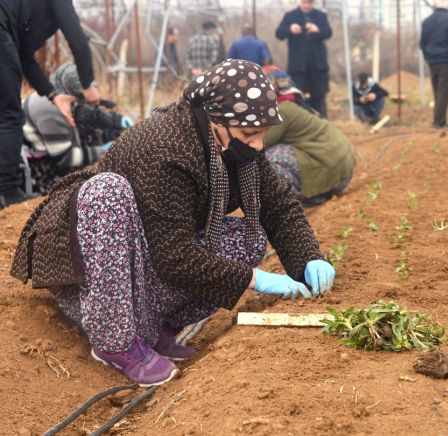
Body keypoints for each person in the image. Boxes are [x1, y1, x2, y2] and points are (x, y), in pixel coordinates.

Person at [11, 60, 336, 386]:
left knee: (247, 240)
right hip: (88, 263)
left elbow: (280, 207)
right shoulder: (167, 146)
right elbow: (173, 255)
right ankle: (116, 342)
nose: (258, 144)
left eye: (262, 134)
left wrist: (308, 258)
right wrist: (254, 279)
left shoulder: (236, 146)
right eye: (249, 134)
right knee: (106, 191)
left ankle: (151, 327)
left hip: (144, 254)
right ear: (215, 121)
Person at [0, 0, 101, 208]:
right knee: (9, 115)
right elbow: (77, 39)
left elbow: (23, 55)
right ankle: (7, 192)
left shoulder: (27, 14)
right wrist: (87, 83)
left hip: (6, 35)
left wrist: (53, 94)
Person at [22, 64, 133, 193]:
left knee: (93, 133)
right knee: (71, 187)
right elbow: (65, 158)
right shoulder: (48, 111)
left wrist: (117, 120)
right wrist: (103, 150)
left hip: (52, 148)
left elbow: (87, 113)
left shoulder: (60, 94)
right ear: (73, 95)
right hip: (37, 164)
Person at [262, 66, 355, 206]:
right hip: (342, 172)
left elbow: (260, 142)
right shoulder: (293, 101)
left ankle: (307, 198)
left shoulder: (282, 110)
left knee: (265, 159)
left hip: (333, 172)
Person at [275, 0, 332, 118]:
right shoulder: (290, 16)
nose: (307, 6)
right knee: (297, 95)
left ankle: (321, 122)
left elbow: (328, 33)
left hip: (317, 65)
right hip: (297, 65)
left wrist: (318, 30)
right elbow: (279, 34)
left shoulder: (320, 16)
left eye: (310, 3)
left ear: (313, 3)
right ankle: (299, 122)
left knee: (319, 96)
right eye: (305, 3)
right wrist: (290, 29)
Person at [420, 0, 448, 130]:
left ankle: (437, 120)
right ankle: (440, 122)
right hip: (446, 61)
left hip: (432, 62)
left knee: (437, 90)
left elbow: (422, 44)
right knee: (443, 91)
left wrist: (428, 58)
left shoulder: (426, 22)